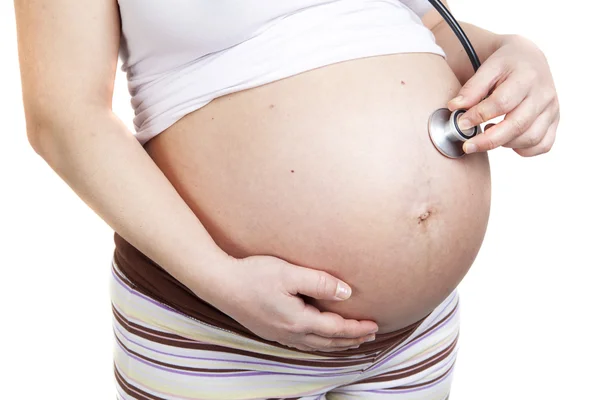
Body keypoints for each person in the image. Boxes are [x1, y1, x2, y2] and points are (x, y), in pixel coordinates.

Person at [14, 0, 559, 398]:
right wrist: (218, 279)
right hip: (219, 333)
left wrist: (510, 53)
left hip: (414, 338)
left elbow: (423, 21)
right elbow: (63, 116)